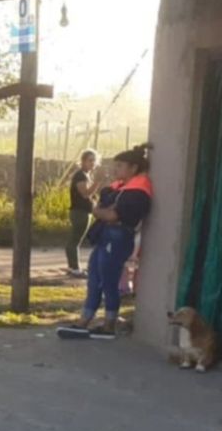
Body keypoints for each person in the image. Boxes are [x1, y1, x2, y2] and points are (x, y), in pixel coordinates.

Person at [58, 145, 153, 340]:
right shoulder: (118, 188)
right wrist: (103, 210)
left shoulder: (138, 191)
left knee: (108, 281)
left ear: (133, 168)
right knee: (94, 279)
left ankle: (109, 324)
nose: (115, 169)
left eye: (120, 166)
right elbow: (101, 204)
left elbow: (111, 215)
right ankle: (84, 321)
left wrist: (103, 211)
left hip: (118, 238)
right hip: (105, 236)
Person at [66, 150, 100, 277]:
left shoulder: (86, 175)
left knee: (75, 240)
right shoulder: (80, 176)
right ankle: (74, 268)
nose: (92, 163)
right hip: (79, 212)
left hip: (84, 211)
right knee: (75, 240)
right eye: (90, 160)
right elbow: (85, 193)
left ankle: (73, 266)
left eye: (94, 160)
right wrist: (97, 182)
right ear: (83, 161)